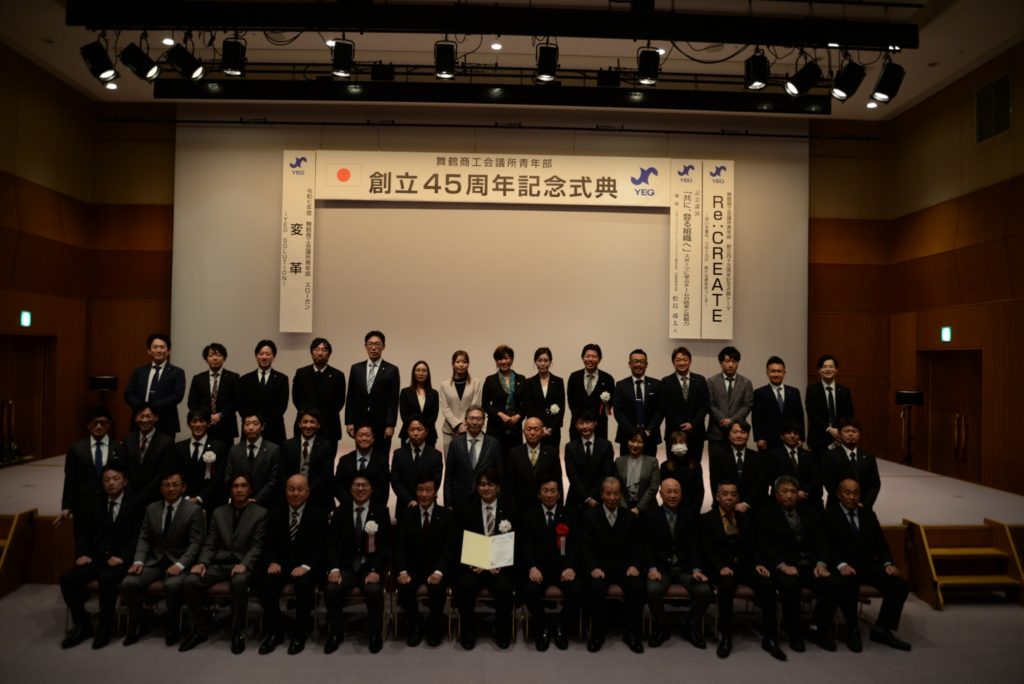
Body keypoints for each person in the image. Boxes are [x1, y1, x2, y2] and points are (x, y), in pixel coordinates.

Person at [757, 475, 859, 653]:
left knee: (836, 584)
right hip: (783, 566)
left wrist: (821, 563)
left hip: (809, 565)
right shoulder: (765, 514)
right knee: (790, 586)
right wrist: (781, 565)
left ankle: (817, 628)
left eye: (793, 491)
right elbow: (765, 546)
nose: (789, 495)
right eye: (784, 491)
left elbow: (821, 541)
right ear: (776, 494)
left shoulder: (810, 512)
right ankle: (794, 633)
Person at [180, 474, 268, 654]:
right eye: (235, 486)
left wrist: (245, 563)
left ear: (250, 489)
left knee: (239, 582)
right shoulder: (219, 512)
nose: (239, 490)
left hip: (244, 563)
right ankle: (199, 629)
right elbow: (210, 543)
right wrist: (202, 562)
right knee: (191, 581)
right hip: (219, 563)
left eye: (244, 486)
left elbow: (258, 546)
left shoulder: (261, 513)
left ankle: (238, 632)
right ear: (230, 490)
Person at [59, 462, 143, 649]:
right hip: (97, 557)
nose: (111, 483)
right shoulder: (94, 501)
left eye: (115, 479)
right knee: (68, 579)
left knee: (107, 579)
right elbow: (84, 532)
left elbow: (138, 536)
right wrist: (82, 553)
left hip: (122, 559)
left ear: (124, 481)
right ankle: (82, 624)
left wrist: (123, 557)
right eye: (106, 480)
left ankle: (105, 628)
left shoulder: (136, 502)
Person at [699, 480, 785, 660]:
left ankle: (769, 638)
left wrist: (758, 563)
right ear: (717, 497)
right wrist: (720, 567)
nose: (729, 498)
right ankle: (725, 636)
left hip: (745, 566)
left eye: (733, 494)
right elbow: (706, 549)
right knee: (726, 587)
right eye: (725, 494)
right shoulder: (707, 519)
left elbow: (754, 545)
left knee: (768, 586)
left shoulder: (746, 519)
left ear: (738, 497)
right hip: (721, 568)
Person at [825, 479, 912, 651]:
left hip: (867, 565)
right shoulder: (829, 515)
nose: (852, 497)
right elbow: (826, 546)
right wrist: (841, 565)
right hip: (842, 567)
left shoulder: (868, 514)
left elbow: (881, 544)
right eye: (847, 493)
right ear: (839, 494)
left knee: (899, 585)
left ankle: (882, 629)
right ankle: (853, 630)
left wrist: (887, 563)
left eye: (856, 493)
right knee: (847, 586)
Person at [121, 469, 204, 647]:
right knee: (129, 582)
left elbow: (196, 543)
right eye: (166, 485)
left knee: (172, 585)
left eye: (175, 485)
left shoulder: (194, 510)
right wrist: (138, 561)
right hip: (155, 560)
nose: (170, 489)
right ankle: (139, 622)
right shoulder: (152, 508)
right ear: (160, 488)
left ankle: (172, 625)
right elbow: (144, 537)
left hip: (180, 561)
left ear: (183, 487)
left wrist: (180, 565)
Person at [258, 474, 328, 655]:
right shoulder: (275, 513)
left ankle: (300, 633)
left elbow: (321, 548)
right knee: (267, 582)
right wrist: (272, 562)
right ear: (285, 491)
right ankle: (275, 632)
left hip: (307, 567)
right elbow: (268, 544)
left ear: (307, 492)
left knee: (303, 584)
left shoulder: (319, 514)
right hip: (281, 565)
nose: (295, 493)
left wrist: (305, 567)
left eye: (300, 489)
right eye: (291, 489)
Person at [324, 474, 391, 654]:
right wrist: (334, 569)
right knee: (331, 589)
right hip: (346, 568)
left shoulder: (381, 512)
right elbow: (331, 544)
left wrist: (376, 570)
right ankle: (335, 633)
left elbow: (385, 546)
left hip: (369, 568)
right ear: (350, 488)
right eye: (356, 485)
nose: (360, 489)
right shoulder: (340, 512)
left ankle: (375, 634)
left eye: (364, 485)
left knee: (374, 591)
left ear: (371, 489)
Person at [643, 477, 713, 649]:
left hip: (685, 568)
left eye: (676, 491)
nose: (673, 495)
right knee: (652, 590)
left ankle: (690, 624)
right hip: (661, 569)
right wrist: (652, 568)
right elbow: (646, 547)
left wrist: (697, 569)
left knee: (705, 591)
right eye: (669, 491)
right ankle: (662, 626)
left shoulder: (690, 515)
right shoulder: (650, 516)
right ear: (660, 494)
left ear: (681, 494)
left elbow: (695, 545)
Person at [580, 477, 645, 654]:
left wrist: (634, 565)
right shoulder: (589, 516)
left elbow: (637, 546)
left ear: (620, 495)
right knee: (595, 588)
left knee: (637, 587)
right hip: (600, 568)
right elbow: (585, 546)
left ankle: (632, 634)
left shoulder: (629, 516)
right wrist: (593, 567)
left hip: (624, 567)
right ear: (601, 494)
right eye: (608, 493)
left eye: (616, 493)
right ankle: (597, 634)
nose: (612, 497)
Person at [517, 479, 583, 651]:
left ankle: (561, 624)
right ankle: (542, 624)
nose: (549, 494)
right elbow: (525, 545)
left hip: (563, 568)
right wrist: (531, 567)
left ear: (559, 494)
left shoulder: (570, 515)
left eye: (553, 491)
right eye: (545, 490)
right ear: (539, 494)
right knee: (529, 590)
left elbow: (575, 545)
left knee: (577, 591)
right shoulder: (529, 516)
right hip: (539, 569)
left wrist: (571, 567)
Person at [454, 468, 516, 650]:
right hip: (474, 566)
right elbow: (460, 540)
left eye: (490, 484)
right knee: (465, 585)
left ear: (498, 487)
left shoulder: (510, 508)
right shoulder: (466, 507)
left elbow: (515, 540)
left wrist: (501, 563)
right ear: (477, 487)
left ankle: (502, 629)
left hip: (500, 567)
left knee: (505, 586)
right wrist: (473, 562)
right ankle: (468, 630)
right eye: (482, 484)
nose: (486, 488)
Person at [395, 477, 458, 647]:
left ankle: (434, 624)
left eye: (428, 490)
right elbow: (399, 547)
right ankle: (415, 623)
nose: (424, 494)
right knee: (405, 586)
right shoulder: (406, 515)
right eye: (420, 490)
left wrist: (439, 572)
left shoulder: (446, 516)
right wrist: (402, 572)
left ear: (435, 492)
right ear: (415, 492)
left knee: (437, 589)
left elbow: (450, 548)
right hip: (413, 568)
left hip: (438, 568)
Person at [60, 406, 125, 523]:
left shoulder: (119, 447)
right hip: (82, 505)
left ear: (109, 425)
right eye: (95, 422)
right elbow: (70, 478)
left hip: (109, 503)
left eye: (102, 423)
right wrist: (66, 506)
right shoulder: (76, 449)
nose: (99, 426)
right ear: (88, 425)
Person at [345, 330, 400, 456]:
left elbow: (393, 400)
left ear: (383, 346)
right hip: (360, 421)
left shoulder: (392, 370)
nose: (373, 347)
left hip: (382, 424)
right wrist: (349, 421)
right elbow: (350, 396)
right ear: (365, 346)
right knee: (361, 456)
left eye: (377, 344)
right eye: (370, 344)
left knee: (381, 456)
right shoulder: (356, 368)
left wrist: (390, 425)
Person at [123, 333, 185, 438]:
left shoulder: (177, 372)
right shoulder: (139, 371)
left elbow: (177, 396)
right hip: (140, 419)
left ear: (168, 351)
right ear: (149, 350)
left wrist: (154, 408)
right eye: (155, 347)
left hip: (165, 421)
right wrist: (141, 407)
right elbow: (128, 394)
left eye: (162, 347)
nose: (159, 350)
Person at [443, 405, 502, 509]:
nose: (475, 422)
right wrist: (448, 503)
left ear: (484, 421)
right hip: (460, 499)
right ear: (465, 420)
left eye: (479, 419)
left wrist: (499, 500)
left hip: (486, 499)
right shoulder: (455, 444)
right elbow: (449, 477)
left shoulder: (493, 443)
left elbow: (499, 474)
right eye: (471, 418)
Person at [280, 409, 337, 512]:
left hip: (316, 495)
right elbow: (282, 473)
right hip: (291, 496)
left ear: (318, 425)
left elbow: (326, 474)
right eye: (305, 422)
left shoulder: (326, 446)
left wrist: (307, 490)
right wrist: (293, 489)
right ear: (299, 424)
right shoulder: (287, 445)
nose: (308, 425)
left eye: (312, 422)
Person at [506, 416, 563, 518]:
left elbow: (558, 481)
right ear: (523, 432)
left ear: (542, 431)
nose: (532, 433)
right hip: (520, 508)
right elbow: (509, 484)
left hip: (545, 507)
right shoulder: (514, 453)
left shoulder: (552, 452)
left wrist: (559, 508)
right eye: (529, 429)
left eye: (536, 429)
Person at [174, 409, 229, 515]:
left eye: (202, 421)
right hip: (183, 502)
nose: (198, 425)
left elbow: (219, 477)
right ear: (189, 424)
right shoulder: (179, 447)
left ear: (208, 424)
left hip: (210, 503)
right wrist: (186, 497)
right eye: (194, 421)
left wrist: (200, 498)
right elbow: (176, 475)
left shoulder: (219, 447)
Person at [291, 337, 346, 442]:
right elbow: (296, 399)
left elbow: (340, 402)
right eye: (316, 349)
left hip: (329, 426)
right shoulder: (301, 373)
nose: (320, 353)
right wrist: (309, 417)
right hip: (305, 425)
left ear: (329, 354)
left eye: (324, 350)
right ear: (311, 352)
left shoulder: (338, 375)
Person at [660, 346, 710, 462]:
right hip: (674, 432)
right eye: (678, 360)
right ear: (673, 362)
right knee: (673, 466)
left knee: (695, 465)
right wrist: (681, 424)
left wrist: (693, 424)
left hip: (696, 432)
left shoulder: (700, 380)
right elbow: (666, 407)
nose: (682, 363)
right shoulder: (666, 381)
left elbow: (705, 404)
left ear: (690, 361)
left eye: (685, 359)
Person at [709, 420, 768, 513]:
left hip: (753, 508)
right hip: (725, 508)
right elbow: (715, 483)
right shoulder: (718, 457)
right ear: (729, 435)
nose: (739, 436)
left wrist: (746, 504)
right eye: (735, 432)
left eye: (743, 432)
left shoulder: (758, 457)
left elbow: (761, 484)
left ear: (748, 435)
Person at [237, 339, 289, 446]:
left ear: (273, 356)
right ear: (256, 356)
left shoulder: (282, 379)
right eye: (261, 354)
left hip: (274, 429)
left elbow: (281, 406)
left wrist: (263, 423)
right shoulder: (245, 379)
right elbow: (241, 404)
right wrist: (254, 423)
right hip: (250, 428)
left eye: (268, 354)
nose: (264, 357)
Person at [186, 342, 239, 445]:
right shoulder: (198, 378)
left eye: (218, 355)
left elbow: (237, 401)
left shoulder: (233, 377)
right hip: (204, 425)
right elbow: (192, 402)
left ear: (224, 358)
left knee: (225, 454)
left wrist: (221, 415)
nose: (215, 358)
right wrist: (204, 416)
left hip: (226, 426)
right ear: (206, 359)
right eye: (211, 355)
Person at [611, 348, 663, 456]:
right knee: (626, 465)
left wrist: (649, 430)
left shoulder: (656, 384)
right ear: (630, 364)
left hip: (650, 435)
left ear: (646, 364)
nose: (638, 364)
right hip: (627, 436)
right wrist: (632, 432)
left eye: (642, 362)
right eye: (635, 361)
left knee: (649, 465)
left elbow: (660, 410)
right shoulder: (621, 385)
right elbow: (618, 412)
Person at [225, 412, 281, 509]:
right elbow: (228, 478)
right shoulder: (234, 450)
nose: (251, 428)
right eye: (247, 424)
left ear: (262, 427)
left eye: (255, 424)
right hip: (238, 503)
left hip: (264, 504)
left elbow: (273, 480)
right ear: (243, 427)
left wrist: (256, 499)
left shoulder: (273, 450)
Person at [822, 418, 881, 510]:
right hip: (837, 507)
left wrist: (864, 504)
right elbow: (830, 484)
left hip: (863, 506)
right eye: (846, 431)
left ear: (859, 435)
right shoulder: (829, 456)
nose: (850, 434)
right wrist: (848, 503)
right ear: (839, 434)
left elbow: (875, 484)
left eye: (854, 431)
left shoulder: (869, 456)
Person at [120, 402, 173, 504]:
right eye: (141, 416)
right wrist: (130, 490)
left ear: (156, 418)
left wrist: (145, 493)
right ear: (136, 418)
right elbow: (123, 468)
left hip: (154, 496)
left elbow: (163, 472)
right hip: (130, 495)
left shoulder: (166, 442)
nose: (144, 420)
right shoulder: (128, 440)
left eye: (148, 416)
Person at [563, 411, 615, 511]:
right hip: (577, 497)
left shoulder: (606, 445)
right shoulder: (570, 447)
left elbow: (607, 473)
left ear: (595, 423)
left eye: (588, 422)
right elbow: (572, 475)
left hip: (600, 497)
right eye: (581, 423)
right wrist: (586, 498)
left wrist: (592, 496)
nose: (585, 426)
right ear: (576, 426)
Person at [805, 354, 855, 457]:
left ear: (836, 370)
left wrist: (840, 431)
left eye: (831, 367)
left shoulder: (844, 391)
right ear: (819, 370)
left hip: (840, 437)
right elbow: (812, 414)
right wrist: (829, 429)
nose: (828, 369)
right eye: (824, 367)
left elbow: (849, 414)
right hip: (819, 438)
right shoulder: (812, 390)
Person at [752, 356, 805, 451]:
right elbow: (757, 418)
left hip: (791, 438)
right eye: (772, 371)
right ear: (767, 373)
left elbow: (799, 416)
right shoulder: (759, 393)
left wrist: (801, 438)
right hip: (768, 441)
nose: (776, 374)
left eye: (779, 371)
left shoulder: (794, 392)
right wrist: (759, 438)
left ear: (784, 373)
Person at [390, 416, 444, 510]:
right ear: (407, 431)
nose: (415, 433)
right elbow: (395, 481)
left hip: (428, 506)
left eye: (419, 429)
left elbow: (436, 482)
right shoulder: (398, 454)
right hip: (404, 506)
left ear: (426, 432)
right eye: (412, 429)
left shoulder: (436, 455)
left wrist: (423, 499)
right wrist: (409, 500)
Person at [438, 349, 484, 456]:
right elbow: (445, 408)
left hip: (470, 428)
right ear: (452, 364)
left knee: (469, 461)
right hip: (450, 430)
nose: (461, 365)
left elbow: (475, 405)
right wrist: (457, 425)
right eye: (458, 362)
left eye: (464, 362)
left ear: (468, 364)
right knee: (450, 461)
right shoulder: (444, 385)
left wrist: (465, 424)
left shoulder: (476, 383)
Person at [566, 343, 615, 441]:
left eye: (594, 356)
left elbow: (609, 405)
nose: (590, 359)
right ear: (582, 358)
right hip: (578, 426)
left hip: (599, 426)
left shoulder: (608, 379)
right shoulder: (574, 377)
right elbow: (571, 402)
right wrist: (582, 421)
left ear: (599, 359)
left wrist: (593, 421)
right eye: (587, 356)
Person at [707, 346, 753, 448]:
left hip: (738, 433)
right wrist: (723, 419)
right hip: (716, 432)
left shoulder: (746, 383)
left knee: (738, 459)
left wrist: (732, 420)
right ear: (720, 363)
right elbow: (710, 405)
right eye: (727, 361)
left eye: (734, 361)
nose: (731, 365)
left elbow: (747, 405)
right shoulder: (711, 381)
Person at [767, 420, 821, 508]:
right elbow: (773, 478)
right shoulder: (773, 455)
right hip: (782, 501)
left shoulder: (809, 455)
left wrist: (802, 491)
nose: (792, 436)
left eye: (795, 433)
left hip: (805, 499)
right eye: (788, 433)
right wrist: (793, 492)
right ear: (782, 436)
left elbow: (815, 478)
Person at [482, 344, 525, 454]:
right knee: (495, 457)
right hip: (496, 426)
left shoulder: (521, 379)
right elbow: (485, 404)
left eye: (506, 358)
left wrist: (518, 416)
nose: (503, 362)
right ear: (496, 361)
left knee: (515, 457)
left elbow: (526, 403)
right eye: (500, 359)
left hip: (515, 427)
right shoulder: (490, 380)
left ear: (512, 359)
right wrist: (501, 415)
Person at [334, 425, 390, 508]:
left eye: (367, 435)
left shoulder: (382, 462)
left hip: (373, 508)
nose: (364, 438)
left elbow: (383, 489)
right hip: (348, 507)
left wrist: (365, 506)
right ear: (355, 438)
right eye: (360, 435)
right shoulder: (344, 460)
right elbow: (338, 486)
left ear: (373, 438)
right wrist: (352, 505)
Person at [521, 347, 566, 450]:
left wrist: (551, 428)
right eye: (539, 360)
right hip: (534, 431)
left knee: (552, 456)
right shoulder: (529, 382)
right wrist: (540, 429)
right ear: (535, 362)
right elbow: (527, 407)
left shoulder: (558, 381)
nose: (542, 363)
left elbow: (561, 407)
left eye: (546, 360)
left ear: (550, 362)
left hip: (553, 431)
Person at [615, 430, 660, 515]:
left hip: (647, 508)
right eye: (632, 441)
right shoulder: (619, 461)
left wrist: (639, 508)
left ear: (644, 444)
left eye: (639, 442)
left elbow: (653, 487)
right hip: (624, 508)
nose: (635, 445)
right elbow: (617, 487)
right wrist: (624, 507)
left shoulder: (652, 462)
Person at [660, 430, 705, 515]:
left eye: (681, 442)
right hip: (672, 510)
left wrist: (694, 512)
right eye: (675, 443)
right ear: (671, 446)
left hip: (691, 510)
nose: (678, 445)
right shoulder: (664, 466)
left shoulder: (696, 465)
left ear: (686, 444)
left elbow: (700, 492)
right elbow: (665, 491)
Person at [399, 360, 440, 447]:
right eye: (418, 370)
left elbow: (434, 415)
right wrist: (416, 428)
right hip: (409, 434)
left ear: (428, 374)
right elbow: (404, 415)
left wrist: (423, 430)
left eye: (424, 370)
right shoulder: (405, 392)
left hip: (429, 434)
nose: (421, 373)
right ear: (413, 373)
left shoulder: (434, 393)